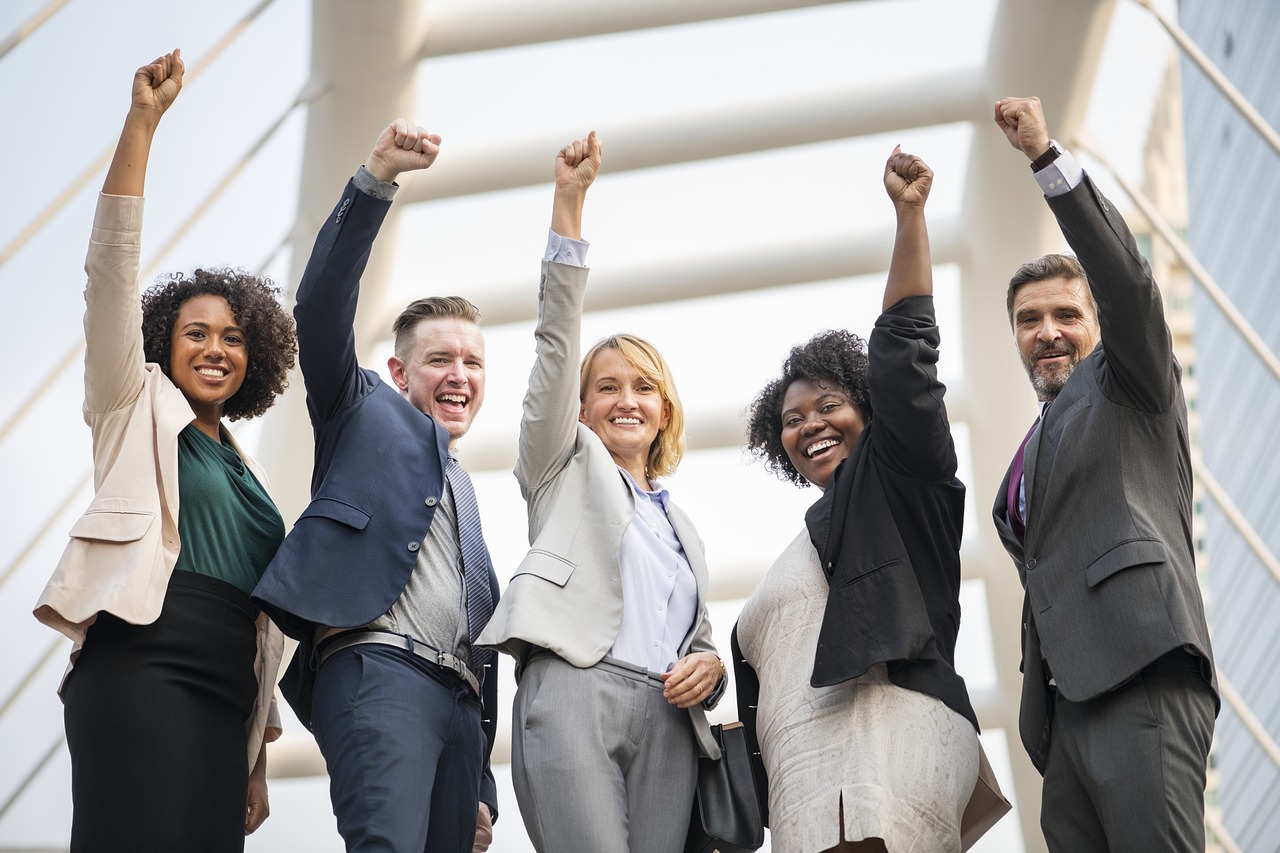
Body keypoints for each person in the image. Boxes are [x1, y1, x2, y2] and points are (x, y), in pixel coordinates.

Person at [33, 50, 295, 851]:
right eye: (196, 333)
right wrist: (142, 123)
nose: (216, 348)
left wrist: (257, 755)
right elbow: (109, 268)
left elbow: (260, 623)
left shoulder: (248, 474)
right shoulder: (129, 402)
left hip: (226, 692)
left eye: (233, 337)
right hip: (143, 657)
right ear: (161, 344)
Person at [735, 148, 1008, 853]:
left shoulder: (900, 477)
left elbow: (904, 351)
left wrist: (909, 215)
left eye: (828, 405)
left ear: (869, 409)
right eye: (792, 420)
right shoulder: (811, 536)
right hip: (813, 773)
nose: (810, 425)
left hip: (881, 741)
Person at [250, 119, 499, 853]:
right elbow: (321, 309)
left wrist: (481, 784)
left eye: (473, 363)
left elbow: (478, 629)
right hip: (378, 669)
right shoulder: (359, 408)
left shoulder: (466, 493)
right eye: (440, 359)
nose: (459, 374)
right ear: (398, 374)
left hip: (460, 707)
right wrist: (375, 180)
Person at [476, 132, 726, 853]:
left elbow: (697, 634)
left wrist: (707, 666)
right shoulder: (563, 466)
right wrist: (570, 203)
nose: (625, 399)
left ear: (665, 408)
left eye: (643, 387)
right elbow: (557, 343)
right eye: (607, 386)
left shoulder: (682, 526)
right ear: (580, 409)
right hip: (577, 690)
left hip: (668, 716)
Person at [989, 96, 1217, 852]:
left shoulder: (1129, 383)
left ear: (1096, 325)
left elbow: (1129, 286)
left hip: (1141, 674)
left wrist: (1047, 160)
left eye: (1064, 314)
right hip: (1065, 717)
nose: (1047, 331)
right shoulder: (1030, 450)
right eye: (1029, 319)